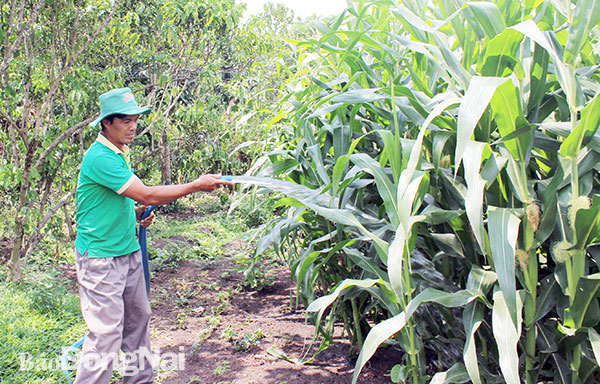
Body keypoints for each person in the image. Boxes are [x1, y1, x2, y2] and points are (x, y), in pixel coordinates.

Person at [73, 87, 232, 383]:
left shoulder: (120, 153)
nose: (133, 126)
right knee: (106, 334)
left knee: (137, 323)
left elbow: (110, 202)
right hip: (101, 259)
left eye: (135, 119)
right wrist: (196, 185)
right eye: (125, 120)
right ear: (107, 123)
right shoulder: (100, 157)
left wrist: (133, 214)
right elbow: (147, 193)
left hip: (127, 251)